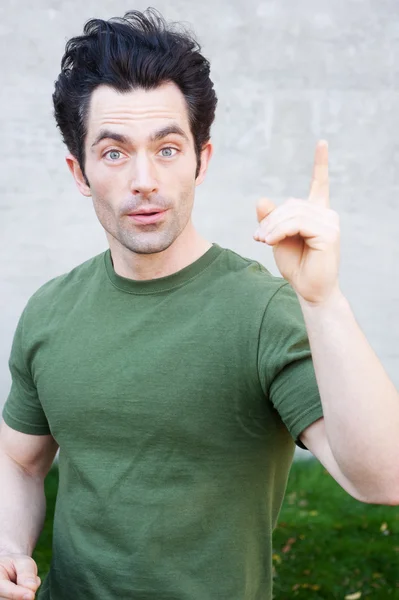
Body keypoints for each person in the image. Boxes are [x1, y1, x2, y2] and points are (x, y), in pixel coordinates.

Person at [0, 8, 398, 600]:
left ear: (200, 161)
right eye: (113, 152)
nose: (144, 179)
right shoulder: (50, 310)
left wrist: (323, 299)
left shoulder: (264, 312)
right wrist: (10, 549)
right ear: (80, 172)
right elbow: (22, 461)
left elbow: (382, 479)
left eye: (166, 148)